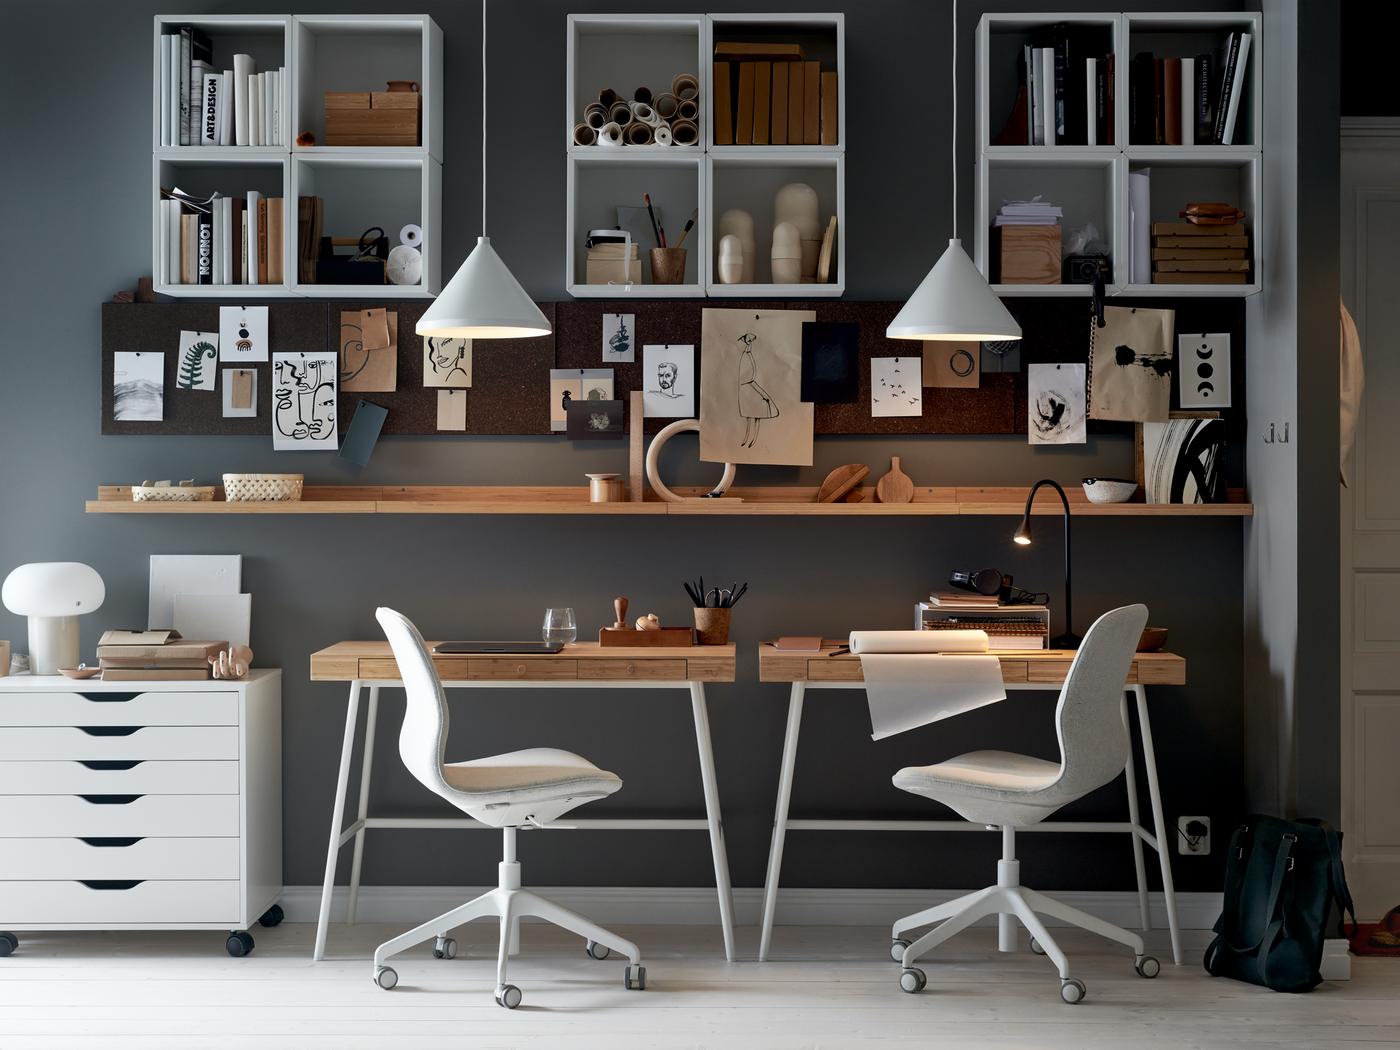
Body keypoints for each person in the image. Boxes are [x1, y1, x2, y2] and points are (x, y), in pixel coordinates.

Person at [736, 332, 777, 449]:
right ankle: (748, 439)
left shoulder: (748, 355)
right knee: (751, 416)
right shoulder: (745, 356)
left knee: (756, 415)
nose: (750, 344)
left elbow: (750, 378)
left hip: (748, 388)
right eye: (749, 341)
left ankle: (752, 440)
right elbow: (747, 378)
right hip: (746, 389)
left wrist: (762, 394)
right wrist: (761, 394)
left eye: (751, 342)